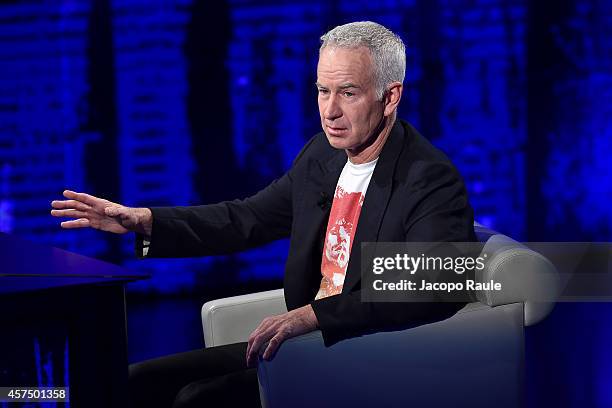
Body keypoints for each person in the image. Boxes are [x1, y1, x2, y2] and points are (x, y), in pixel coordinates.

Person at [51, 21, 476, 408]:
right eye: (322, 91)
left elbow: (434, 284)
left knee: (197, 401)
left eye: (347, 93)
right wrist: (147, 221)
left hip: (367, 350)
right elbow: (246, 218)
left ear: (390, 96)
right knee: (137, 382)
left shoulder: (429, 179)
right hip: (308, 343)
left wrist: (312, 315)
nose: (329, 111)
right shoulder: (321, 158)